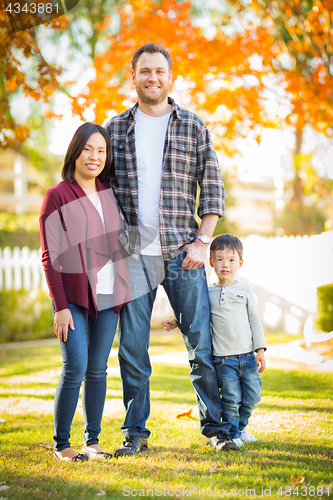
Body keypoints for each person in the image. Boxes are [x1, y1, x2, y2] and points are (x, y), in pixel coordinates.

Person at [105, 43, 238, 457]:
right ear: (133, 77)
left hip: (184, 248)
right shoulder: (113, 130)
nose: (152, 78)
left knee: (200, 342)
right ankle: (135, 434)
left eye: (159, 71)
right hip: (134, 249)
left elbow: (212, 188)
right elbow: (100, 189)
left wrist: (203, 241)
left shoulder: (193, 126)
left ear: (170, 77)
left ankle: (216, 429)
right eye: (144, 71)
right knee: (132, 346)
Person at [39, 123, 130, 461]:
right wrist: (60, 306)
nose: (94, 156)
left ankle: (92, 442)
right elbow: (49, 254)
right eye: (88, 149)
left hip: (108, 297)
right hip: (72, 298)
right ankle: (62, 444)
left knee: (97, 369)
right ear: (76, 152)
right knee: (75, 366)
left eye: (101, 151)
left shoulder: (108, 192)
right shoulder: (58, 194)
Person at [163, 234, 267, 447]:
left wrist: (260, 350)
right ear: (211, 261)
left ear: (240, 263)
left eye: (230, 260)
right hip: (223, 361)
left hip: (247, 358)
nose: (225, 264)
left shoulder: (245, 290)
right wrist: (177, 322)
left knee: (253, 397)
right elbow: (197, 315)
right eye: (219, 259)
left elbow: (255, 322)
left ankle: (241, 426)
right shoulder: (207, 292)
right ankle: (233, 434)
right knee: (231, 400)